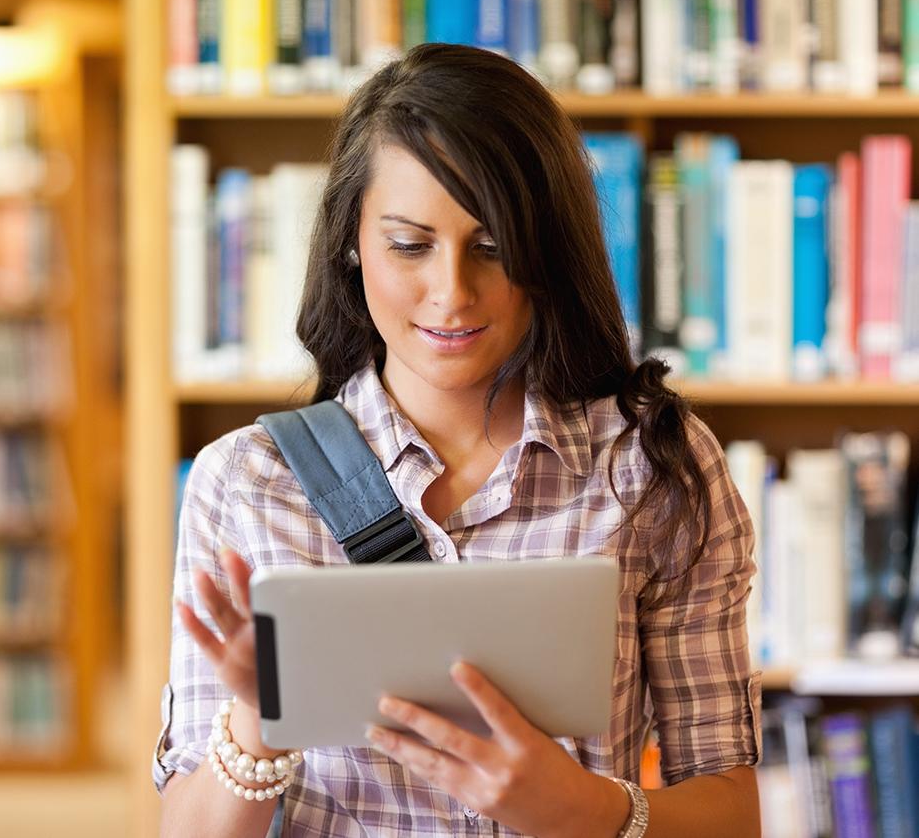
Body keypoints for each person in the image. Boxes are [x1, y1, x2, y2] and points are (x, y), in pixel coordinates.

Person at [154, 43, 761, 837]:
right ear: (352, 242)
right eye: (410, 245)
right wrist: (258, 717)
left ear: (546, 250)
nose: (452, 293)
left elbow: (733, 813)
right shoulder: (246, 481)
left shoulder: (648, 467)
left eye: (493, 245)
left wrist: (583, 808)